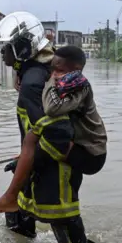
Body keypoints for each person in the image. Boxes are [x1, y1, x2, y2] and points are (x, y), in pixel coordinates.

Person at [0, 11, 98, 243]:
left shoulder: (33, 82)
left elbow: (58, 135)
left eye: (6, 48)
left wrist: (30, 160)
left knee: (70, 240)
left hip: (56, 166)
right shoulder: (37, 71)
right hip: (44, 160)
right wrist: (24, 158)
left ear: (22, 48)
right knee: (19, 223)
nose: (2, 53)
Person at [43, 45, 107, 176]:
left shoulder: (79, 86)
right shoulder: (65, 83)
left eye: (59, 70)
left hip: (91, 153)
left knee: (51, 139)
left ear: (76, 70)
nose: (54, 74)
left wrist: (50, 81)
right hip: (78, 144)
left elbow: (51, 108)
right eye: (52, 69)